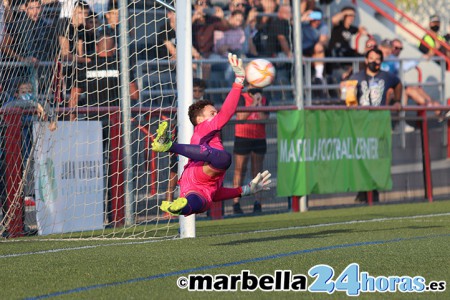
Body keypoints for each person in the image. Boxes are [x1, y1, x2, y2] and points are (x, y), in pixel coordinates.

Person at [151, 54, 271, 216]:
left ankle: (179, 207)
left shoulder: (206, 131)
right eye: (212, 112)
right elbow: (227, 112)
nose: (216, 114)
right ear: (200, 118)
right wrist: (238, 81)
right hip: (201, 170)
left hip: (194, 182)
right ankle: (169, 145)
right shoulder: (204, 126)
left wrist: (245, 190)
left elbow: (217, 194)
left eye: (215, 112)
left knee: (200, 203)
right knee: (224, 158)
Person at [348, 48, 402, 202]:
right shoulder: (357, 77)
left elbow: (398, 84)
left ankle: (374, 191)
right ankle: (363, 191)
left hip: (379, 123)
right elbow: (347, 96)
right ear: (366, 60)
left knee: (377, 157)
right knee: (362, 157)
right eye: (371, 58)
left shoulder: (387, 76)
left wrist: (397, 100)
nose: (374, 61)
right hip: (361, 123)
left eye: (377, 59)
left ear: (381, 61)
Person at [232, 84, 269, 214]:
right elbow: (241, 118)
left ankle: (257, 202)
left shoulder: (264, 99)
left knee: (257, 171)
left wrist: (258, 103)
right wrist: (253, 103)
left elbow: (264, 118)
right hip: (243, 136)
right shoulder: (242, 98)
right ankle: (236, 203)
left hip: (259, 137)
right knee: (240, 169)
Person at [328, 6, 368, 82]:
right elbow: (334, 20)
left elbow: (362, 31)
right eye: (349, 15)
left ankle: (350, 74)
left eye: (353, 16)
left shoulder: (352, 28)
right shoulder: (338, 26)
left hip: (346, 53)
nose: (351, 18)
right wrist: (344, 12)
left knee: (361, 57)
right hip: (336, 53)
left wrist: (363, 31)